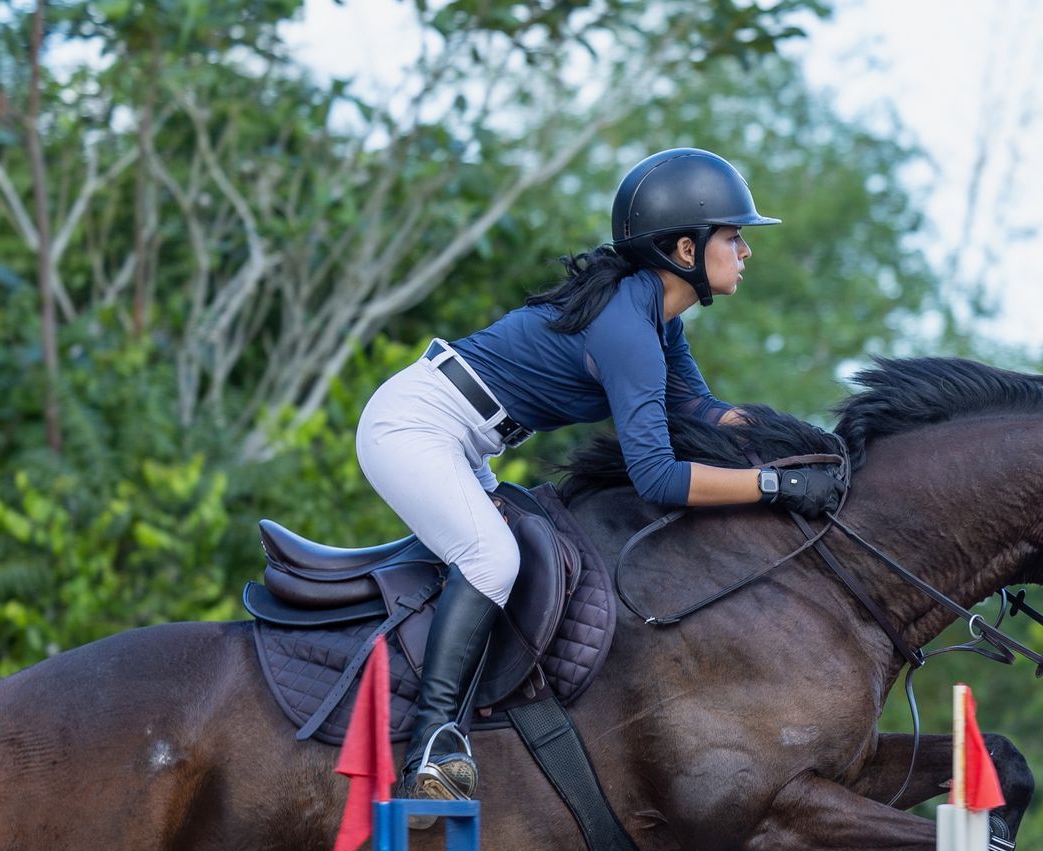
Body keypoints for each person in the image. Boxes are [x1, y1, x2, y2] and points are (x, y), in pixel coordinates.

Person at [356, 146, 844, 806]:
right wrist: (774, 487)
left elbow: (698, 411)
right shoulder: (627, 327)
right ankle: (432, 742)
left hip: (464, 439)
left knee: (532, 555)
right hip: (413, 428)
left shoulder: (654, 317)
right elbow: (660, 479)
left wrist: (804, 446)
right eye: (733, 236)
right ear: (684, 249)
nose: (745, 251)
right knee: (494, 558)